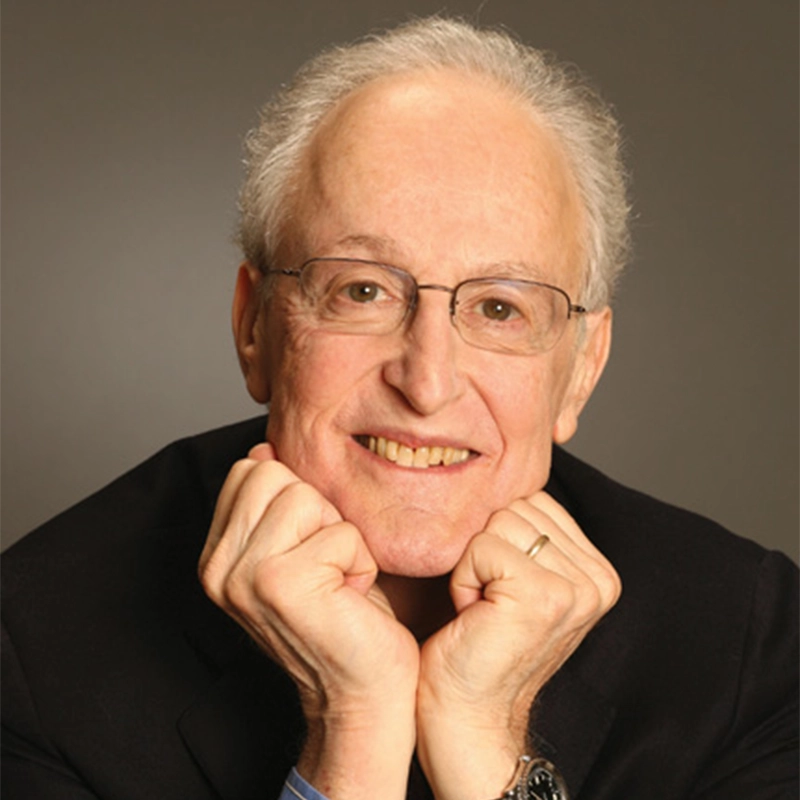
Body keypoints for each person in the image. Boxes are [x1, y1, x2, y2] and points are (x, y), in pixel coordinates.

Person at [2, 16, 797, 800]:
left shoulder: (751, 646)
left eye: (498, 308)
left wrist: (487, 740)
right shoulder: (33, 646)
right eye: (362, 290)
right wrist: (352, 729)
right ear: (255, 327)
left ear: (582, 366)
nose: (427, 383)